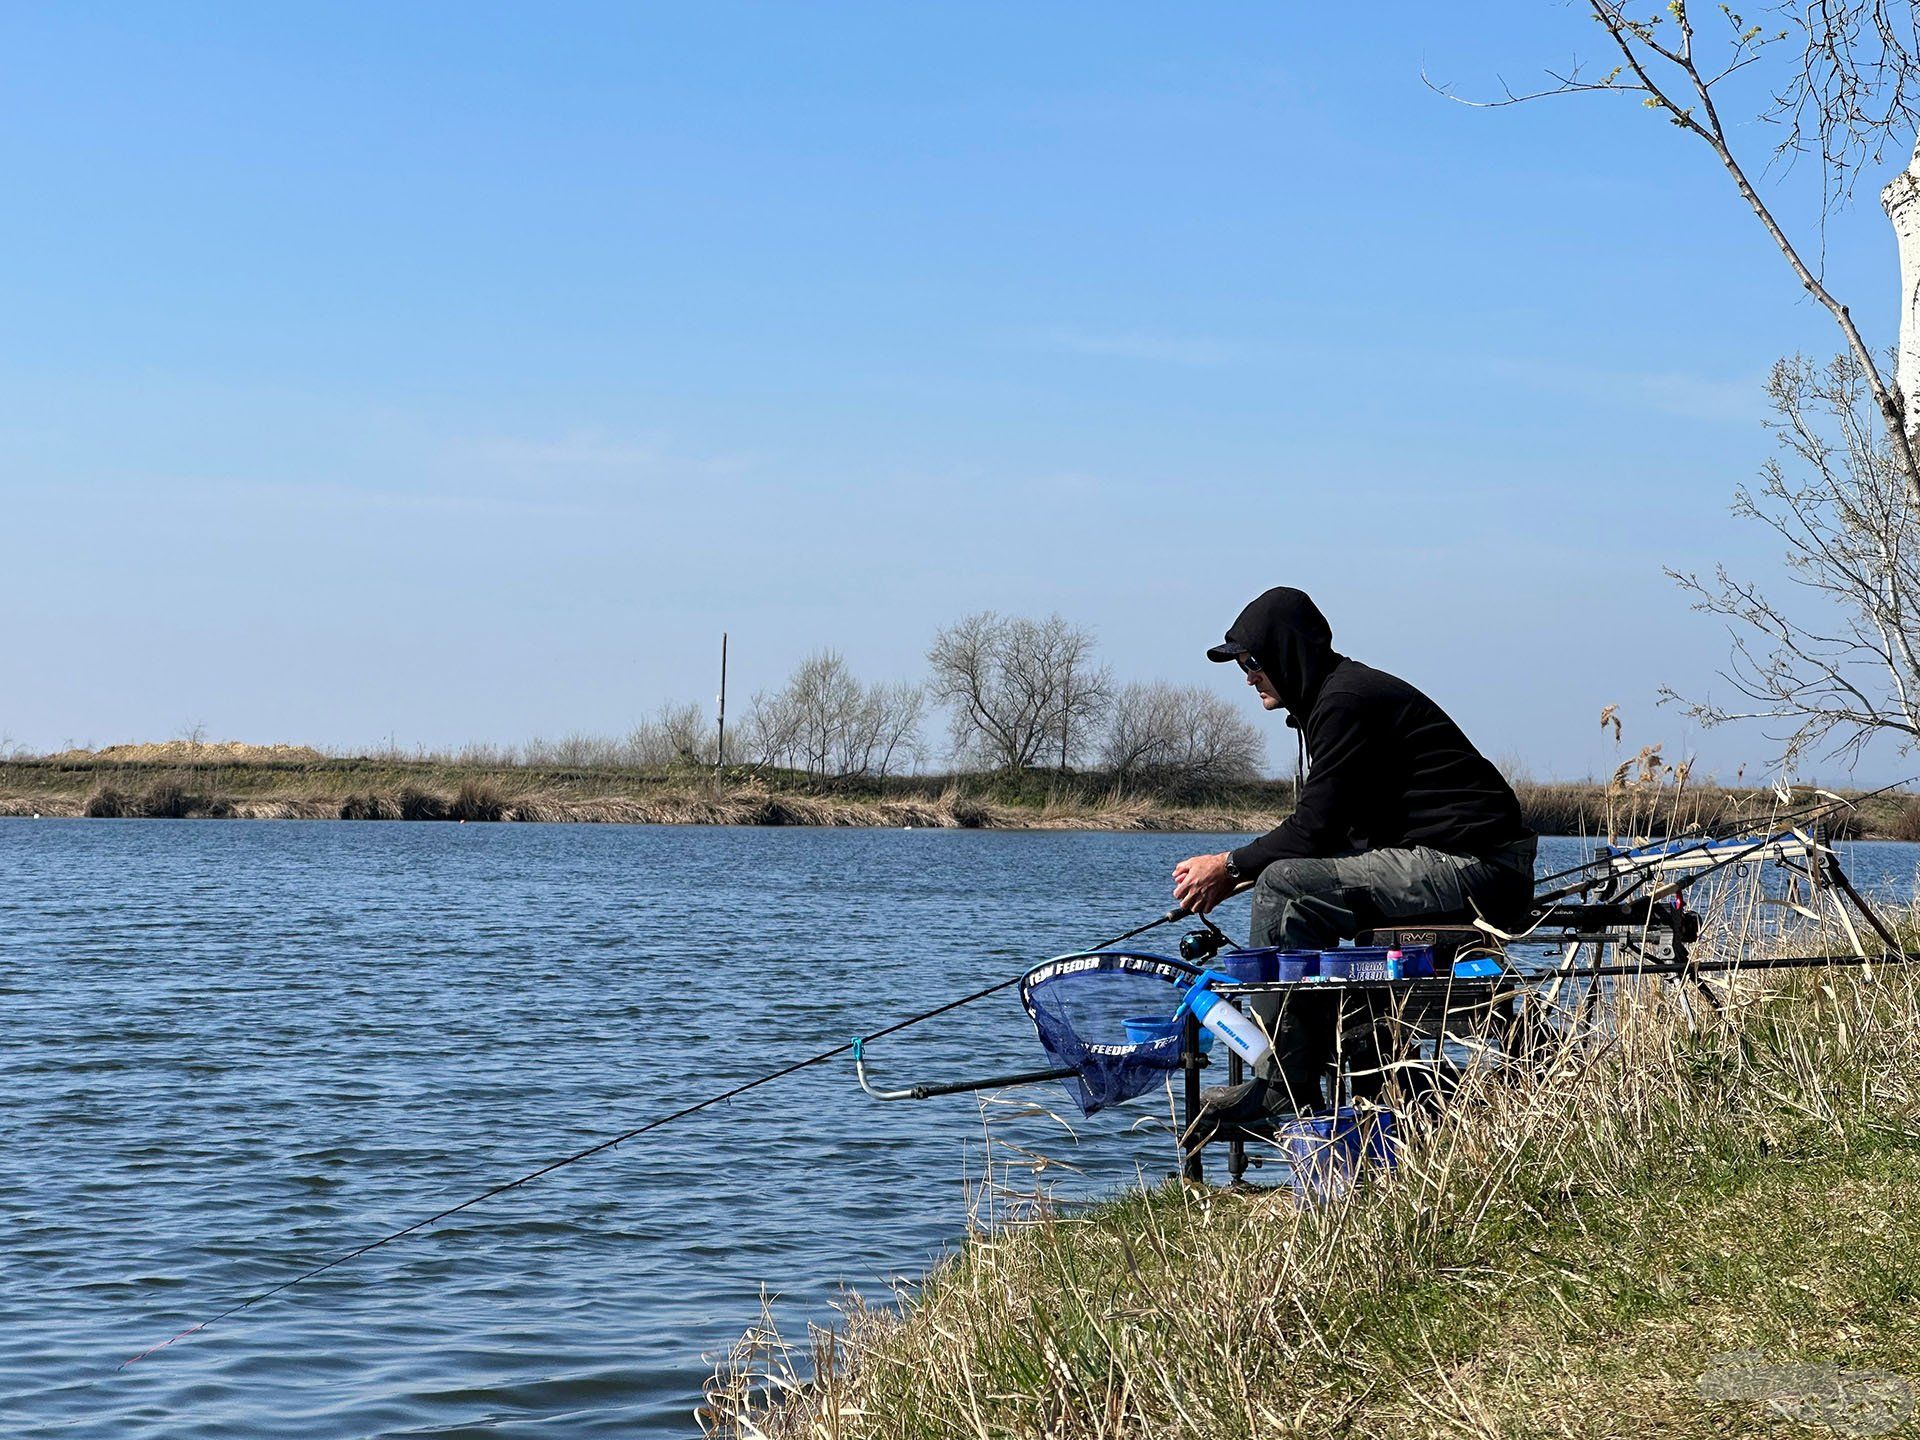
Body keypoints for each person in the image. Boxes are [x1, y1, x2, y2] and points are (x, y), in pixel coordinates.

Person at [1171, 586, 1536, 1125]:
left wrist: (1229, 867)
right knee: (1286, 882)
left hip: (1477, 864)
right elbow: (1341, 834)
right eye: (1242, 665)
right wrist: (1245, 870)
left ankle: (1283, 1088)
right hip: (1453, 858)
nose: (1248, 676)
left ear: (1287, 653)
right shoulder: (1334, 700)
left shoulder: (1343, 703)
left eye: (1252, 661)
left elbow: (1313, 829)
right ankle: (1343, 1068)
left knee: (1283, 886)